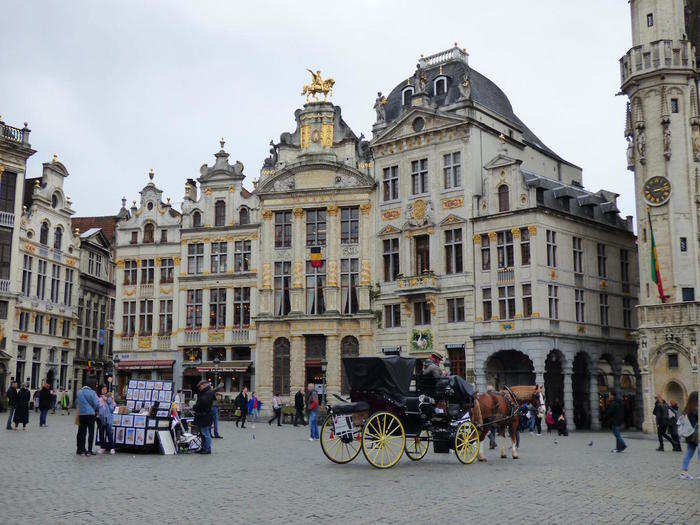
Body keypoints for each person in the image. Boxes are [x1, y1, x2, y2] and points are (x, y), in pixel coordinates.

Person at [76, 379, 101, 456]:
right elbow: (97, 404)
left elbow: (76, 402)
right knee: (91, 432)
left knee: (82, 432)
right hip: (90, 414)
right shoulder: (92, 392)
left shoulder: (79, 392)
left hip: (81, 414)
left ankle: (82, 449)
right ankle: (90, 450)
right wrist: (95, 409)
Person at [680, 391, 698, 480]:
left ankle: (683, 472)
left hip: (689, 435)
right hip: (696, 435)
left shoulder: (687, 409)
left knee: (689, 453)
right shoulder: (695, 410)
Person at [193, 380, 214, 454]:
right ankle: (203, 447)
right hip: (202, 415)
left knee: (205, 433)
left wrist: (195, 407)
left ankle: (207, 449)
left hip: (205, 415)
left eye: (200, 386)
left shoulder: (208, 393)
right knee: (202, 433)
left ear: (204, 385)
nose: (199, 388)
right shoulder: (205, 392)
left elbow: (203, 403)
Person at [97, 386, 116, 454]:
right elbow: (97, 406)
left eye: (106, 389)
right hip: (100, 418)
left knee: (109, 433)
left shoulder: (109, 398)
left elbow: (112, 409)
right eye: (103, 389)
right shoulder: (98, 398)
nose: (104, 390)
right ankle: (102, 447)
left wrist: (107, 401)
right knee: (101, 433)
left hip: (108, 418)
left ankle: (112, 448)